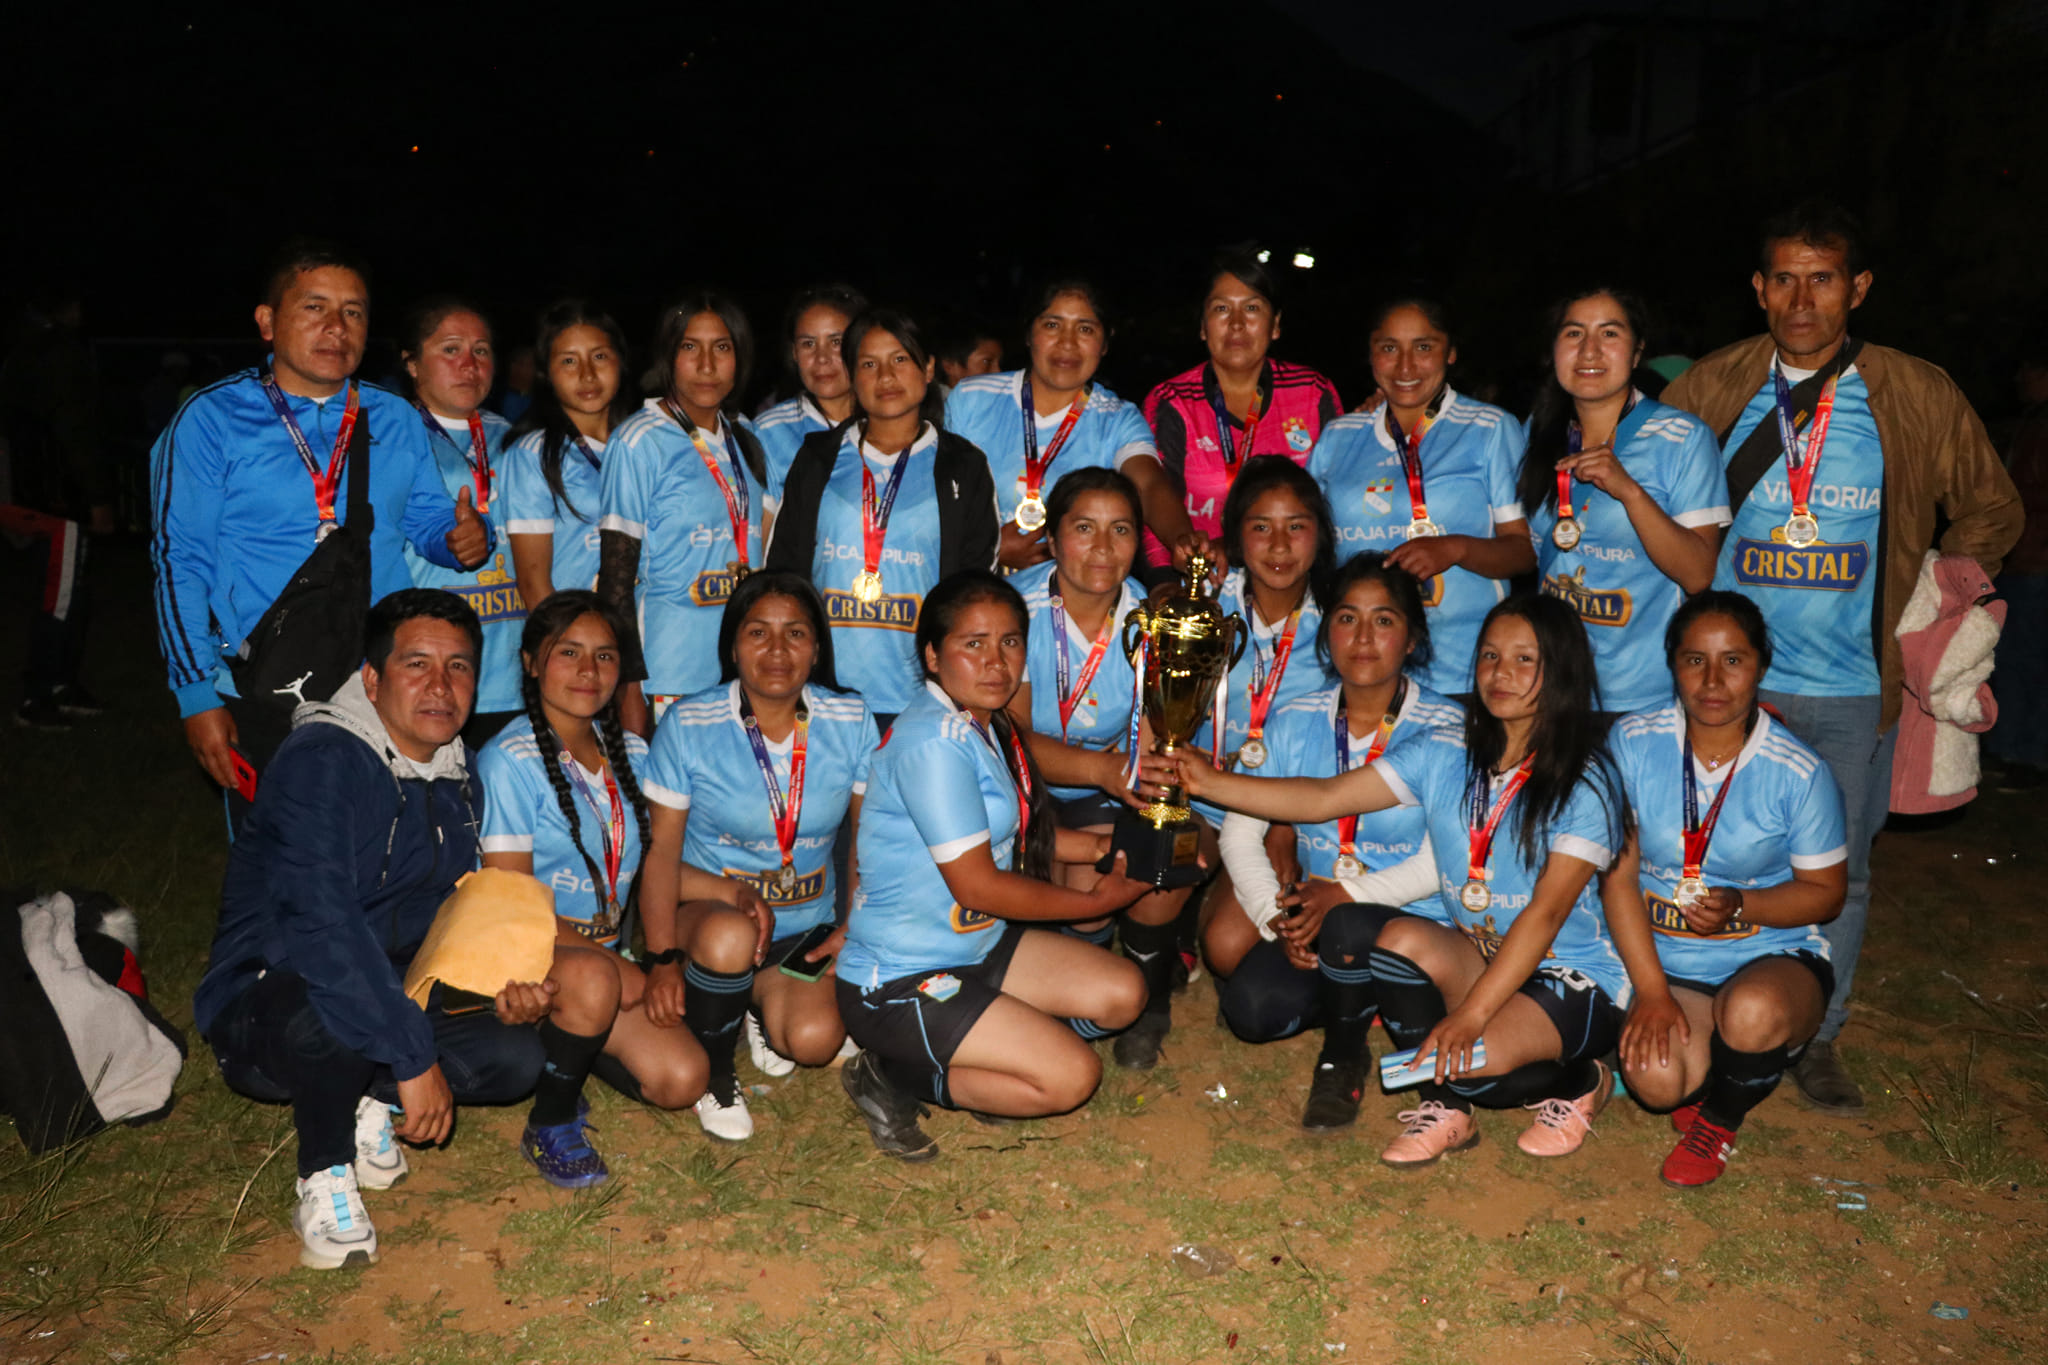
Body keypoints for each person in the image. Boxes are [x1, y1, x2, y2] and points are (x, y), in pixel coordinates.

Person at [1662, 200, 2021, 1113]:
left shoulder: (1912, 389)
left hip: (1851, 685)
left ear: (1857, 288)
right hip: (1725, 683)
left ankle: (1818, 1034)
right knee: (1695, 849)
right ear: (1758, 287)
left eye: (1823, 278)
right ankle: (1697, 999)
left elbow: (1992, 505)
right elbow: (1645, 469)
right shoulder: (1718, 383)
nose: (1802, 298)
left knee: (1841, 874)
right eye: (1783, 277)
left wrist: (1931, 596)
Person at [1176, 594, 1632, 1166]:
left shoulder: (1586, 782)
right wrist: (1208, 781)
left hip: (1568, 970)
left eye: (1524, 660)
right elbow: (1323, 797)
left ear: (1560, 671)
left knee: (1464, 1064)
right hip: (1480, 954)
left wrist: (1469, 1016)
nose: (1500, 674)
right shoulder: (1446, 747)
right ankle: (1447, 1110)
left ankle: (1578, 1080)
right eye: (1490, 656)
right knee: (1371, 932)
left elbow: (1543, 918)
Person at [193, 589, 545, 1268]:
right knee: (334, 1016)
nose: (441, 685)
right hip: (271, 993)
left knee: (513, 1053)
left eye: (460, 667)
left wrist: (495, 981)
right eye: (417, 664)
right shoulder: (320, 761)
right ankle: (323, 1171)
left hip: (382, 980)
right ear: (373, 678)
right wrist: (411, 1052)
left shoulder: (453, 772)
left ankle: (366, 1096)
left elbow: (445, 913)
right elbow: (320, 925)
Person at [150, 240, 491, 818]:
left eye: (353, 312)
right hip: (260, 678)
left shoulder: (393, 415)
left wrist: (459, 539)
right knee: (280, 858)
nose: (337, 326)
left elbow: (426, 518)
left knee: (384, 843)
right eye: (315, 307)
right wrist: (195, 694)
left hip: (378, 676)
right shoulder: (211, 419)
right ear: (267, 321)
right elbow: (179, 561)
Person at [836, 571, 1151, 1160]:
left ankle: (986, 1039)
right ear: (932, 655)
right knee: (1070, 1077)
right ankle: (893, 1075)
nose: (996, 661)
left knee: (1122, 993)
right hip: (900, 978)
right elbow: (978, 882)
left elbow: (1012, 833)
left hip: (978, 948)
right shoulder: (934, 741)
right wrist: (1095, 902)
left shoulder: (985, 723)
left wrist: (1108, 851)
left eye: (1009, 642)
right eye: (973, 643)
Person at [1212, 553, 1463, 1130]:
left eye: (1384, 620)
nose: (1364, 638)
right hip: (1325, 915)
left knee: (1352, 930)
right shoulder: (1296, 718)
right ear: (1327, 633)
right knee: (1250, 1012)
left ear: (1413, 636)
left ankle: (1343, 1051)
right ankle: (1363, 998)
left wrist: (1341, 897)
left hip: (1413, 922)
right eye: (1347, 619)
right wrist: (1276, 917)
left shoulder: (1446, 728)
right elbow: (1240, 828)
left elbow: (1442, 861)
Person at [1606, 592, 1847, 1186]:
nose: (1713, 680)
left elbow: (1826, 893)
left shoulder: (1800, 771)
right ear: (1672, 665)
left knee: (1752, 1011)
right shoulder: (1633, 743)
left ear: (1760, 666)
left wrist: (1745, 904)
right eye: (1694, 660)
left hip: (1766, 956)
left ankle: (1720, 1117)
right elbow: (1616, 875)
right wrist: (1652, 990)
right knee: (1658, 1084)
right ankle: (1719, 1066)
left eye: (1733, 661)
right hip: (1665, 963)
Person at [477, 590, 714, 1186]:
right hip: (525, 959)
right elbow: (510, 896)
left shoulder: (631, 750)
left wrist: (730, 892)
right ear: (531, 661)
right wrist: (611, 966)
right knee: (594, 977)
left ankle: (571, 1055)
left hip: (602, 957)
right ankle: (551, 1120)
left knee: (682, 1079)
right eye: (570, 653)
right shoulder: (507, 758)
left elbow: (652, 864)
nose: (590, 671)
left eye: (606, 657)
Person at [635, 572, 875, 1140]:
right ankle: (717, 1073)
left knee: (814, 1043)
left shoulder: (849, 718)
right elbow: (659, 857)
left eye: (795, 633)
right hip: (712, 920)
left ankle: (751, 1004)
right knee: (729, 938)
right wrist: (662, 956)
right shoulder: (689, 724)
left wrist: (855, 929)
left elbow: (867, 842)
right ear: (733, 645)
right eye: (758, 632)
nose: (777, 650)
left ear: (817, 648)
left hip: (803, 925)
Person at [1008, 468, 1187, 1068]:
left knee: (1163, 853)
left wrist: (1143, 781)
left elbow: (1162, 734)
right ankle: (1064, 979)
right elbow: (1012, 739)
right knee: (1083, 889)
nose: (1104, 549)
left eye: (1121, 530)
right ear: (1052, 540)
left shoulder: (1154, 619)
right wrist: (1105, 769)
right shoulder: (1012, 607)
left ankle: (1151, 991)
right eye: (1084, 529)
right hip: (1022, 784)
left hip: (1107, 782)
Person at [764, 308, 998, 729]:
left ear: (928, 368)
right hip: (824, 697)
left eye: (900, 359)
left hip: (922, 699)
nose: (885, 376)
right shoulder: (817, 458)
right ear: (852, 376)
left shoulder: (963, 466)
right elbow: (786, 570)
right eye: (869, 364)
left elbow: (974, 586)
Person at [1516, 288, 1730, 713]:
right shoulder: (1536, 431)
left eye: (1609, 333)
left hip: (1642, 695)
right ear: (1554, 349)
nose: (1589, 350)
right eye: (1574, 333)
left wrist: (1630, 491)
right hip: (1551, 687)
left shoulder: (1683, 437)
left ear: (1636, 353)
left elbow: (1698, 574)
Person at [1307, 297, 1533, 697]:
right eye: (1389, 347)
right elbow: (1309, 546)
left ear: (1451, 352)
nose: (1405, 366)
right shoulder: (1340, 435)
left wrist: (1456, 548)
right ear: (1371, 353)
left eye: (1424, 347)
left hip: (1461, 672)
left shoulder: (1490, 428)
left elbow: (1524, 551)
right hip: (1362, 670)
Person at [597, 291, 771, 736]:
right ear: (668, 356)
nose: (707, 364)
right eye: (690, 347)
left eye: (722, 347)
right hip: (667, 675)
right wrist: (628, 685)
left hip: (742, 673)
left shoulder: (745, 438)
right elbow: (616, 580)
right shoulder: (640, 441)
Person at [944, 280, 1201, 574]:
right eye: (1052, 325)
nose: (1067, 342)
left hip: (1066, 601)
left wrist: (1182, 538)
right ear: (1029, 334)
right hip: (973, 591)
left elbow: (1148, 484)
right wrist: (989, 547)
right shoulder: (971, 399)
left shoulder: (1117, 418)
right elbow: (941, 499)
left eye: (1085, 329)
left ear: (1104, 344)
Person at [1141, 249, 1342, 572]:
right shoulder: (1173, 400)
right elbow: (1153, 494)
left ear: (1275, 325)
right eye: (1222, 309)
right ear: (1203, 326)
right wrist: (1163, 581)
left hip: (1293, 579)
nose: (1236, 323)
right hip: (1201, 581)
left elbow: (1334, 498)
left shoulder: (1312, 392)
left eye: (1252, 308)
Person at [399, 297, 525, 745]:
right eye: (450, 349)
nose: (470, 364)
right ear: (412, 363)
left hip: (512, 675)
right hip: (430, 677)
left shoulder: (518, 439)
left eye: (482, 351)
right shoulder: (388, 439)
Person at [0, 289, 110, 729]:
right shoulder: (56, 354)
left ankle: (61, 685)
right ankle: (39, 694)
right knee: (61, 596)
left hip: (39, 488)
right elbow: (73, 429)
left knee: (69, 591)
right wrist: (98, 496)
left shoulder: (24, 348)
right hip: (53, 496)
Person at [502, 301, 636, 608]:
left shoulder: (643, 445)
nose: (587, 375)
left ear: (621, 361)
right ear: (546, 373)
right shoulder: (532, 456)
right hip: (579, 640)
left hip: (648, 635)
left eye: (599, 356)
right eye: (568, 361)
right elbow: (534, 585)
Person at [1986, 331, 2048, 791]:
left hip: (2035, 565)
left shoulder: (2042, 430)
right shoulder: (2026, 424)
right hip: (2018, 562)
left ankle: (2026, 756)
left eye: (2031, 370)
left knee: (2026, 659)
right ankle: (2010, 751)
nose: (2021, 379)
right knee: (2010, 657)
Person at [754, 284, 866, 498]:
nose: (821, 357)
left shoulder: (888, 421)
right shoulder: (768, 433)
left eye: (836, 342)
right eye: (808, 344)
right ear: (794, 353)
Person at [934, 324, 1004, 395]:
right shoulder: (938, 404)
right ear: (949, 365)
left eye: (999, 363)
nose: (998, 371)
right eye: (986, 362)